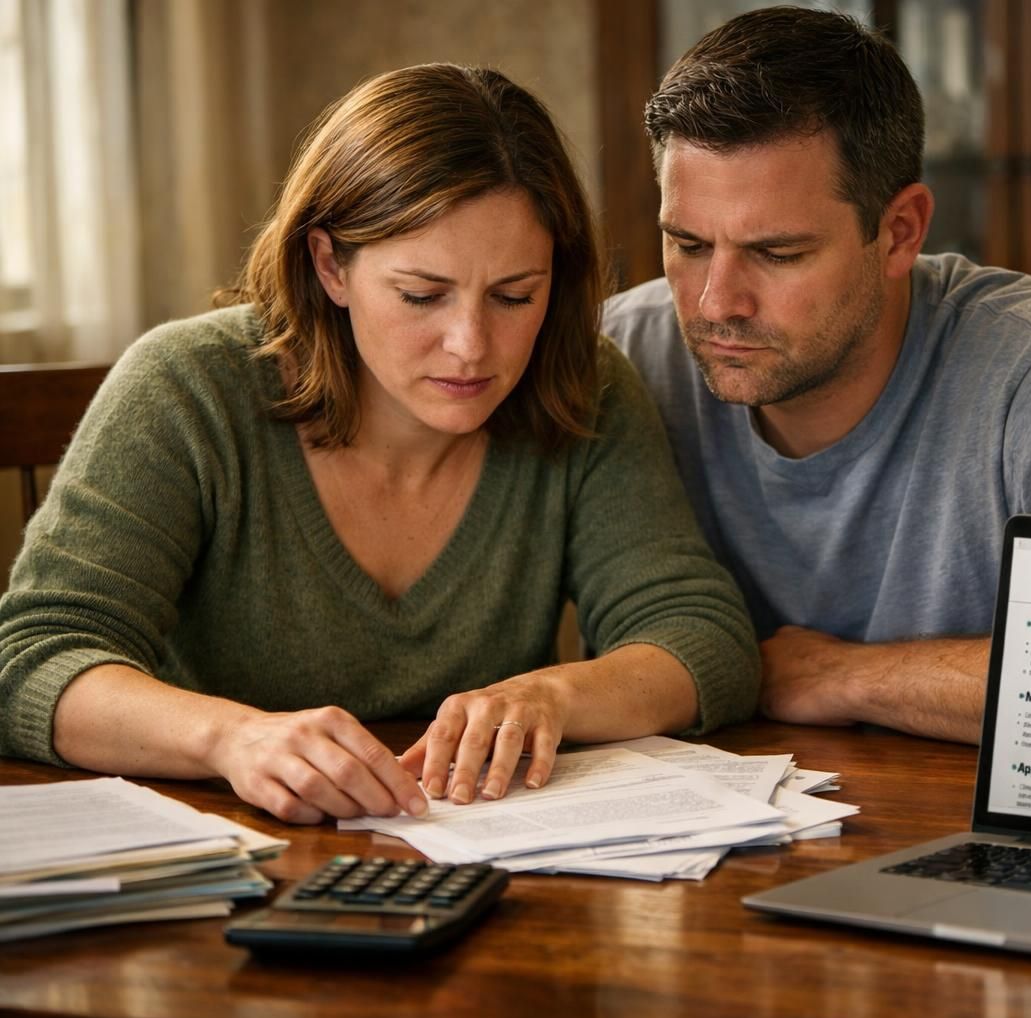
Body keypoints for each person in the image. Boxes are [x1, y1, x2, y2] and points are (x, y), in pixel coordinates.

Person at [0, 64, 759, 824]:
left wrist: (552, 693)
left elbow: (702, 638)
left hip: (469, 860)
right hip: (210, 859)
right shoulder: (187, 388)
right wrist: (230, 739)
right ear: (330, 265)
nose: (471, 345)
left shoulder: (582, 385)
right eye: (422, 295)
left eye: (513, 295)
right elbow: (31, 658)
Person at [601, 7, 1031, 745]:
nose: (717, 303)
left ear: (900, 231)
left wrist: (849, 676)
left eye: (777, 253)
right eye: (686, 244)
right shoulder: (621, 354)